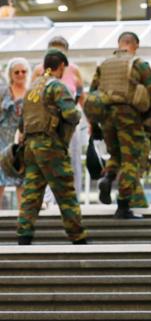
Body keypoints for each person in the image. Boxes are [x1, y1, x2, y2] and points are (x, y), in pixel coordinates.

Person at [17, 49, 87, 245]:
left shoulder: (32, 88)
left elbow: (21, 123)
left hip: (30, 147)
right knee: (65, 191)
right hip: (50, 146)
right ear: (62, 66)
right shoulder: (57, 86)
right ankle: (77, 235)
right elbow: (72, 115)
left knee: (31, 191)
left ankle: (24, 234)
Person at [89, 32, 151, 218]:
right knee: (132, 160)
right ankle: (123, 206)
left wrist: (95, 123)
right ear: (135, 45)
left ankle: (107, 178)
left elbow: (92, 93)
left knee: (116, 155)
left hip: (106, 116)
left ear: (119, 43)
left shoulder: (103, 65)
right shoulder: (138, 64)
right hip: (129, 116)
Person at [33, 36, 86, 203]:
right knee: (48, 161)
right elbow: (32, 98)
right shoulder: (38, 71)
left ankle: (73, 198)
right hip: (47, 124)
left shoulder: (74, 70)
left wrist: (90, 122)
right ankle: (48, 199)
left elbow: (82, 97)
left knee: (73, 160)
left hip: (70, 124)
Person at [0, 57, 29, 209]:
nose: (20, 74)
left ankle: (22, 217)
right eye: (16, 72)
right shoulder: (3, 91)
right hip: (2, 137)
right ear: (10, 74)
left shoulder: (30, 92)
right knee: (0, 176)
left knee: (22, 177)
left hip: (22, 139)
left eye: (23, 71)